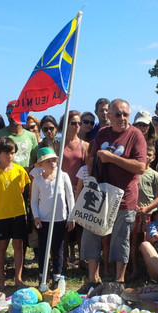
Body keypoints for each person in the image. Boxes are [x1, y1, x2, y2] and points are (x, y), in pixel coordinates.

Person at [81, 99, 147, 286]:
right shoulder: (102, 133)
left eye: (126, 114)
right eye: (118, 114)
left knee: (121, 239)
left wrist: (112, 159)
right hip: (99, 194)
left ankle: (119, 280)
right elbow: (91, 159)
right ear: (108, 116)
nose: (122, 118)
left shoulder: (136, 135)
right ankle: (93, 278)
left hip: (124, 198)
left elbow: (141, 167)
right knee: (92, 232)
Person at [0, 136, 30, 288]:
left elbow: (22, 189)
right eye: (6, 153)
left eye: (12, 153)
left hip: (19, 213)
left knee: (18, 245)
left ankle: (18, 278)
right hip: (1, 214)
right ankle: (1, 278)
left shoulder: (20, 170)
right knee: (1, 246)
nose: (10, 156)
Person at [31, 147, 75, 288]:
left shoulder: (63, 176)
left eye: (54, 161)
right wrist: (36, 216)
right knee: (43, 248)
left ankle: (57, 277)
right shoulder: (37, 180)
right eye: (48, 161)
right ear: (41, 165)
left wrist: (71, 216)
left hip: (60, 219)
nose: (52, 164)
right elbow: (33, 200)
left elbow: (70, 196)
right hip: (44, 219)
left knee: (58, 249)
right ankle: (43, 276)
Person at [129, 145, 158, 280]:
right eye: (144, 154)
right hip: (134, 212)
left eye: (149, 155)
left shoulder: (155, 175)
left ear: (153, 157)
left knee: (149, 241)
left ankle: (150, 270)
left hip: (149, 213)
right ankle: (134, 269)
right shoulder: (133, 171)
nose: (146, 157)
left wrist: (147, 208)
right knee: (134, 240)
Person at [59, 111, 86, 267]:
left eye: (79, 123)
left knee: (81, 227)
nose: (77, 126)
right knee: (63, 227)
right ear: (66, 124)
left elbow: (87, 168)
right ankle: (63, 260)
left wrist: (79, 187)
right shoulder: (58, 144)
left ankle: (82, 260)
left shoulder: (85, 145)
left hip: (80, 191)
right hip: (61, 191)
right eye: (73, 123)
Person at [0, 101, 38, 169]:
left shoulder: (31, 136)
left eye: (17, 112)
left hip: (24, 178)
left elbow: (35, 160)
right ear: (6, 114)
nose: (13, 115)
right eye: (10, 112)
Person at [135, 110, 158, 178]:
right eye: (139, 125)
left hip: (150, 179)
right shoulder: (131, 140)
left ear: (150, 126)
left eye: (145, 125)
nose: (142, 128)